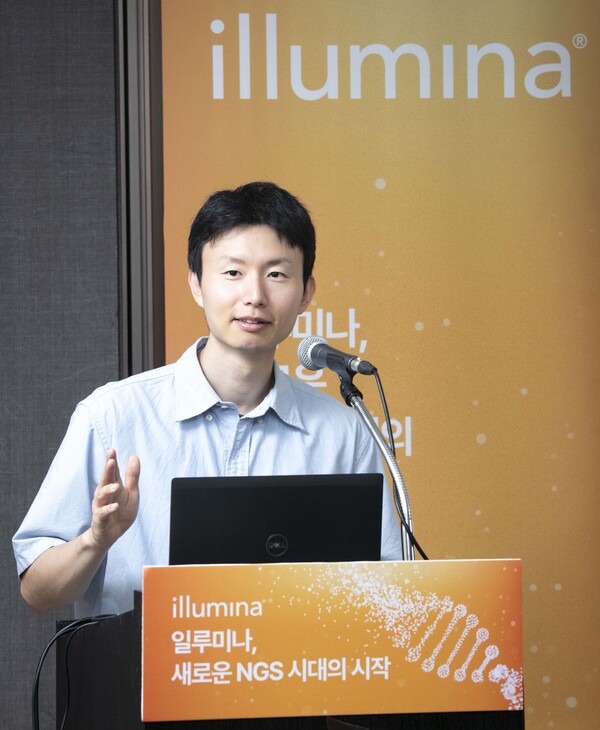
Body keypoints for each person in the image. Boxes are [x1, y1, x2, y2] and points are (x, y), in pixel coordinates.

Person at [13, 182, 403, 617]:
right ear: (197, 284)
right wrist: (95, 541)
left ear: (306, 293)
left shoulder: (344, 434)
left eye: (276, 274)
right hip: (144, 662)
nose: (254, 296)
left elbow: (385, 592)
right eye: (233, 273)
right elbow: (37, 591)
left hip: (294, 661)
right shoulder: (112, 416)